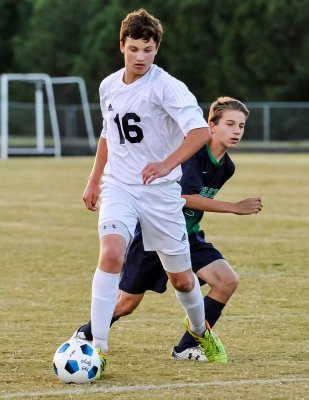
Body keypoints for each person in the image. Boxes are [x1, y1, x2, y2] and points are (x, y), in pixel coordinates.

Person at [81, 8, 221, 378]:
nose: (140, 56)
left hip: (160, 193)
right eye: (133, 48)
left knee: (183, 279)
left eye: (148, 49)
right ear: (121, 46)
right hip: (120, 186)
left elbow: (200, 132)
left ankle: (200, 331)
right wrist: (94, 179)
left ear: (157, 48)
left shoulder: (168, 87)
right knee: (111, 253)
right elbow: (108, 135)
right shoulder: (109, 85)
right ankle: (99, 347)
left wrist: (165, 164)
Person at [74, 96, 263, 363]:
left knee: (226, 281)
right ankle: (86, 334)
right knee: (127, 303)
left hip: (188, 235)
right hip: (156, 231)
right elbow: (183, 196)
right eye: (230, 124)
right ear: (211, 125)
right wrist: (234, 206)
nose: (236, 131)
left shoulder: (226, 167)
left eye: (241, 126)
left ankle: (187, 347)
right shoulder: (193, 154)